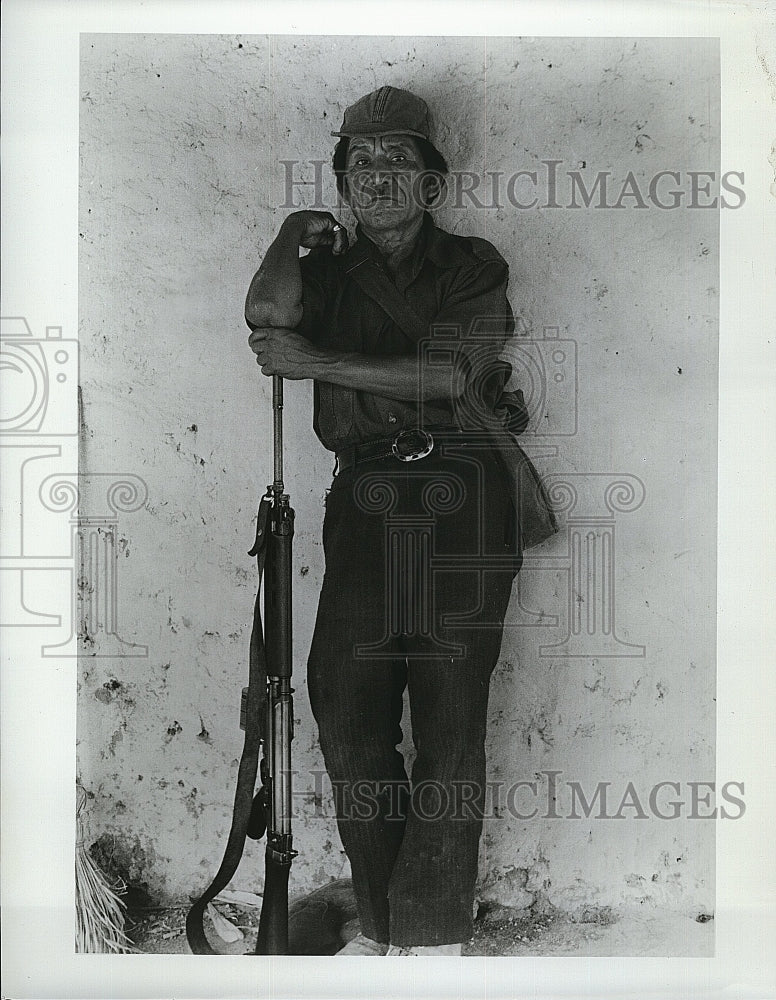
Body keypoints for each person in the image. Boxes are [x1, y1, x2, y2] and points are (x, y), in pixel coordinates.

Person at [245, 86, 556, 956]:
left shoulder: (471, 264)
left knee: (449, 716)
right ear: (344, 180)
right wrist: (289, 232)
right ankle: (385, 925)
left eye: (400, 163)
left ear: (431, 181)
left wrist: (321, 362)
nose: (381, 179)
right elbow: (269, 323)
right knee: (346, 702)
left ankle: (432, 936)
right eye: (363, 164)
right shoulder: (326, 267)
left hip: (460, 492)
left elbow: (452, 373)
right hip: (367, 498)